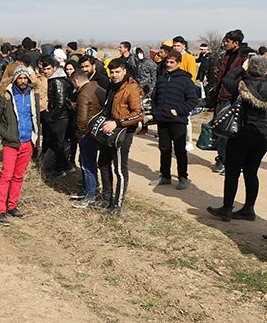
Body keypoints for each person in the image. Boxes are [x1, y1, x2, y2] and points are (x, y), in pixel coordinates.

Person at [207, 56, 267, 222]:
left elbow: (227, 79)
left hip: (241, 134)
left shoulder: (243, 85)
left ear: (249, 69)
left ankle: (226, 208)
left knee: (233, 172)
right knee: (251, 172)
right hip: (263, 137)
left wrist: (242, 67)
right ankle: (249, 208)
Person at [0, 66, 40, 226]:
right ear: (14, 79)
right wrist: (6, 134)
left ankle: (12, 205)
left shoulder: (33, 95)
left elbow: (36, 116)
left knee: (19, 176)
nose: (23, 81)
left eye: (25, 78)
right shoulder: (6, 95)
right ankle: (0, 210)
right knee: (6, 176)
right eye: (20, 78)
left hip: (27, 142)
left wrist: (36, 137)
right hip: (12, 142)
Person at [97, 58, 144, 216]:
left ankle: (117, 204)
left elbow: (139, 113)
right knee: (103, 164)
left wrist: (118, 123)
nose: (114, 75)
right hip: (108, 129)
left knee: (120, 169)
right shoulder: (111, 86)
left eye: (117, 72)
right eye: (112, 72)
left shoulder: (132, 88)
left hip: (123, 131)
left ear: (124, 71)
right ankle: (106, 198)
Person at [150, 50, 200, 189]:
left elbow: (193, 100)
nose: (168, 64)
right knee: (164, 149)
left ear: (178, 63)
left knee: (179, 150)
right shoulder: (162, 78)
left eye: (172, 62)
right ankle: (165, 176)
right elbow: (155, 97)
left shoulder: (185, 80)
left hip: (178, 121)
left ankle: (183, 177)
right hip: (162, 120)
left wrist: (178, 111)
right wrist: (155, 111)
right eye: (167, 62)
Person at [212, 30, 255, 174]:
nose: (224, 43)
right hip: (223, 96)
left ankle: (235, 163)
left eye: (227, 41)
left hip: (237, 97)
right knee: (222, 130)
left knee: (234, 130)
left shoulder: (246, 57)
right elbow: (221, 77)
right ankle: (222, 159)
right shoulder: (226, 56)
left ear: (236, 43)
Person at [70, 70, 106, 208]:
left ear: (76, 81)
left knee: (87, 165)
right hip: (98, 130)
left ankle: (90, 195)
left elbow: (82, 119)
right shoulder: (97, 88)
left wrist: (80, 134)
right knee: (90, 163)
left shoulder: (83, 94)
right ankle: (88, 190)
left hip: (87, 133)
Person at [38, 55, 73, 177]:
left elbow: (60, 103)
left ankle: (59, 169)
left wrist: (52, 117)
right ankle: (65, 166)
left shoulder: (57, 81)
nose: (46, 72)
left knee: (58, 144)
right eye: (44, 69)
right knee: (56, 143)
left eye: (48, 69)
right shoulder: (54, 79)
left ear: (54, 68)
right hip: (58, 116)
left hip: (60, 118)